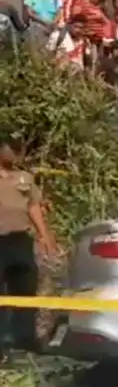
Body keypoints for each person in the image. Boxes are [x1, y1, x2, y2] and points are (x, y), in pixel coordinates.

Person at [0, 137, 56, 363]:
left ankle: (26, 340)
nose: (15, 154)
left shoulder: (24, 178)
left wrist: (44, 234)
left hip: (21, 241)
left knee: (25, 290)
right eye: (10, 150)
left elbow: (33, 206)